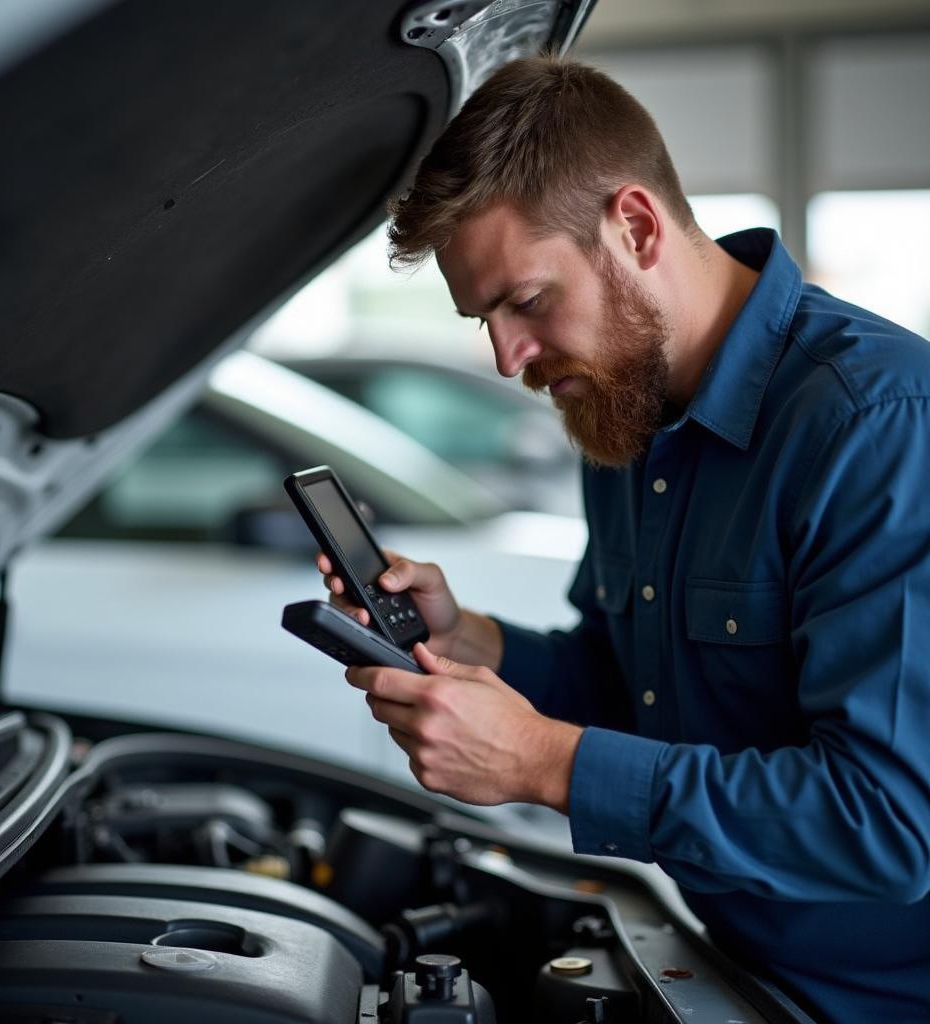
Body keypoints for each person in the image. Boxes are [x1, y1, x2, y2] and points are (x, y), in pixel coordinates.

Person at [315, 56, 930, 1021]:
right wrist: (470, 637)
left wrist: (546, 763)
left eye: (525, 301)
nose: (507, 357)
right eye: (484, 319)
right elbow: (631, 689)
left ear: (635, 226)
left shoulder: (876, 423)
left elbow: (889, 826)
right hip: (725, 964)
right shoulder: (623, 419)